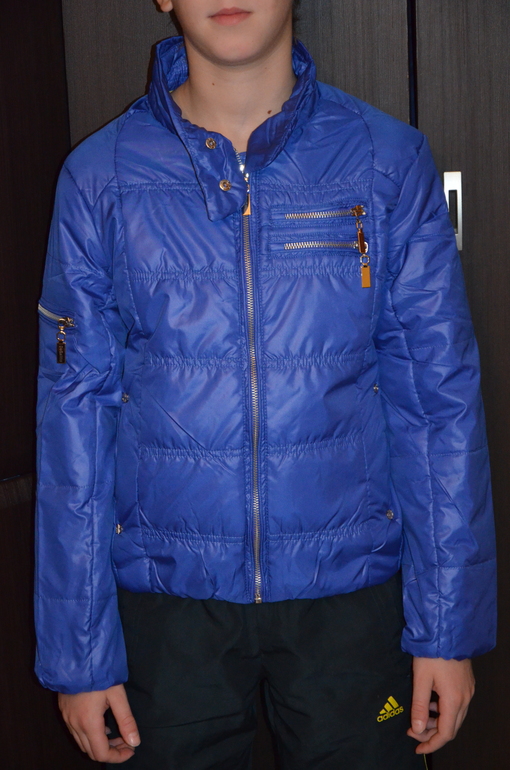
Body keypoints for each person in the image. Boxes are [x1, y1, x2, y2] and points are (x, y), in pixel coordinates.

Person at [34, 0, 496, 767]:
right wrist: (79, 655)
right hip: (165, 611)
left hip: (352, 603)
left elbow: (437, 403)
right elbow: (73, 422)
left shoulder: (385, 161)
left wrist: (447, 629)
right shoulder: (100, 177)